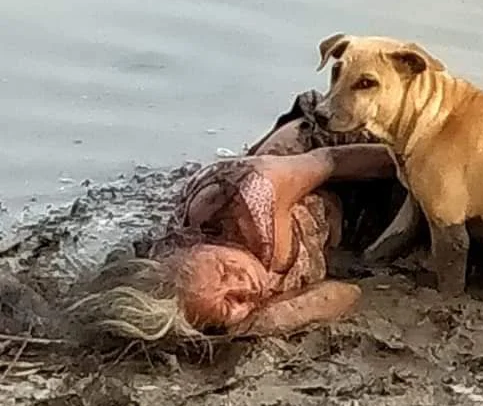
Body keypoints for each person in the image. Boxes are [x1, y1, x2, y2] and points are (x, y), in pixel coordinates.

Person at [75, 131, 400, 342]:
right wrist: (262, 320)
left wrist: (414, 162)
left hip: (339, 152)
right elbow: (347, 293)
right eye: (230, 306)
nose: (246, 286)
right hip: (344, 228)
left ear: (196, 247)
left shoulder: (253, 197)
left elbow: (330, 159)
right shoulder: (210, 297)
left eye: (224, 270)